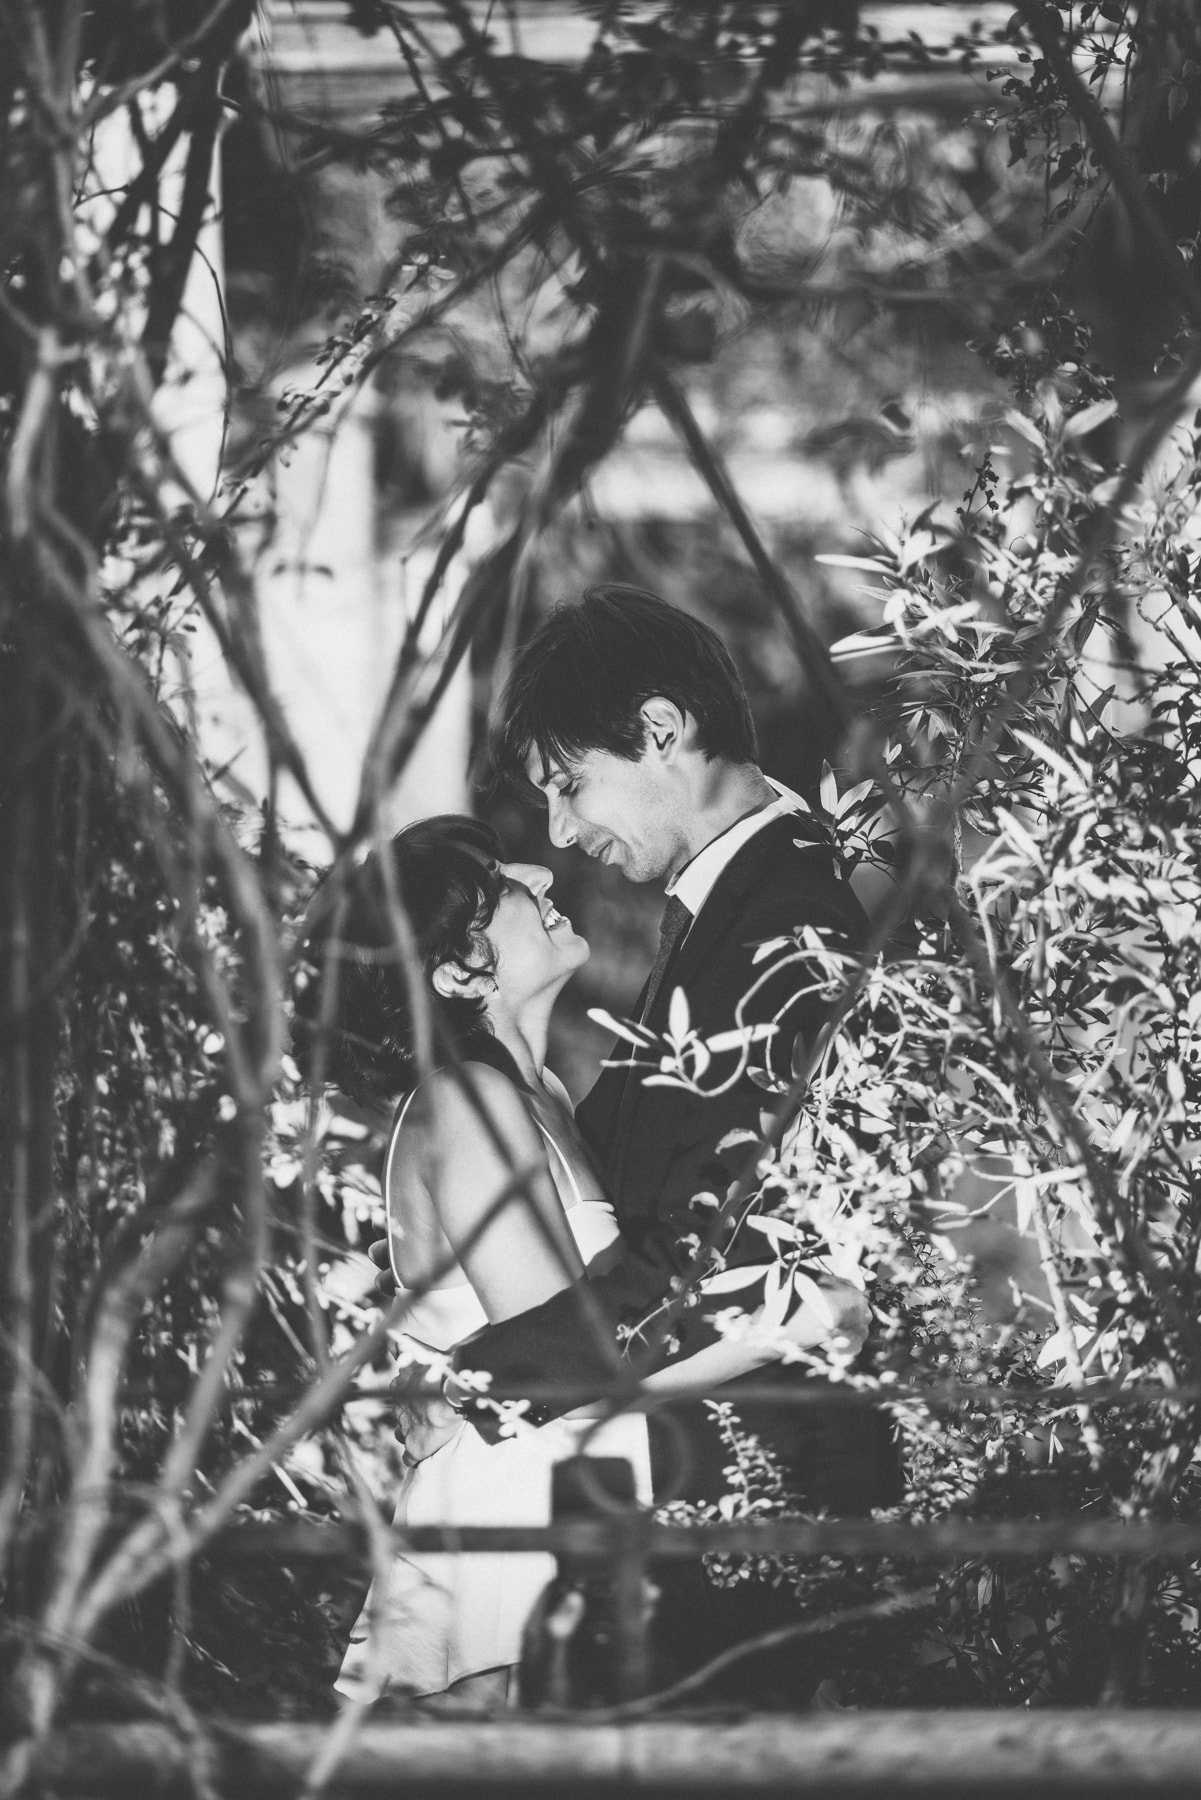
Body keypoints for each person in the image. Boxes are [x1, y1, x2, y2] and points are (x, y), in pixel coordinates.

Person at [434, 586, 903, 1697]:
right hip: (698, 1486)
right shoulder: (734, 903)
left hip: (750, 1498)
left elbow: (699, 1252)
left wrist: (464, 1394)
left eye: (567, 783)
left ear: (658, 730)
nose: (557, 833)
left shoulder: (786, 918)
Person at [312, 816, 862, 1706]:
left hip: (572, 1494)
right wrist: (786, 1322)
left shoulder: (543, 1094)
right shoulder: (467, 1101)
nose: (539, 868)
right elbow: (567, 1375)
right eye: (500, 885)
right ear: (457, 969)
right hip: (516, 1512)